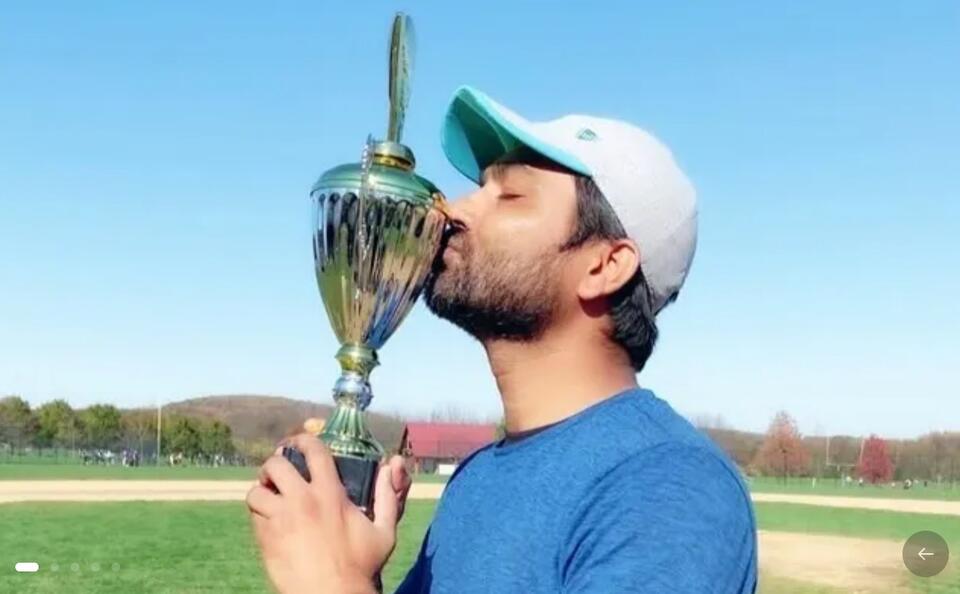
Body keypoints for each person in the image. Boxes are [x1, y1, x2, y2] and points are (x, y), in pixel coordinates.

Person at [247, 86, 758, 593]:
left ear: (606, 265)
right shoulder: (478, 479)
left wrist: (332, 583)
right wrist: (351, 562)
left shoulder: (668, 483)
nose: (453, 210)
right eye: (479, 187)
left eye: (510, 195)